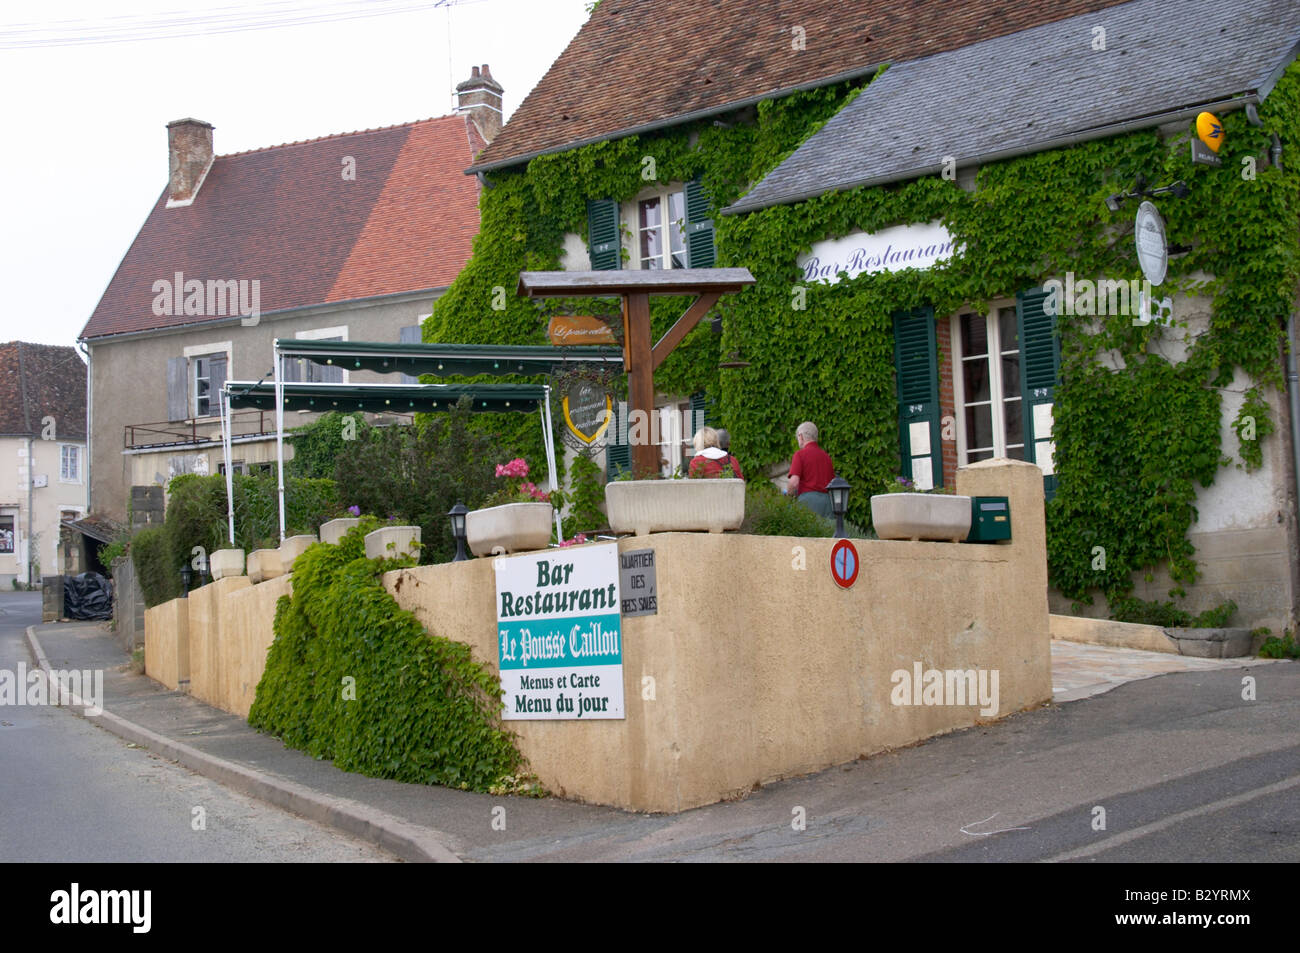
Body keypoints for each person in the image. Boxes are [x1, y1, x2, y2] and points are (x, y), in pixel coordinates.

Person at [787, 421, 834, 517]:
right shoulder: (826, 457)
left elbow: (794, 482)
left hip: (808, 501)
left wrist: (789, 494)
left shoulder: (800, 455)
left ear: (801, 437)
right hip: (828, 502)